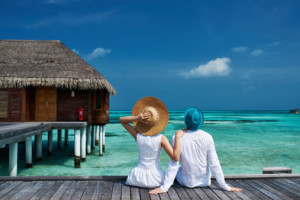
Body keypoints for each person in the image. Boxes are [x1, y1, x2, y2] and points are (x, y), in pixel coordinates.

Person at [149, 107, 243, 194]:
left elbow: (174, 164)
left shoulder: (177, 137)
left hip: (186, 182)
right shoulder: (208, 137)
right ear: (200, 121)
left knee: (177, 167)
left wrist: (164, 187)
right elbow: (214, 164)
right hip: (205, 182)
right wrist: (225, 186)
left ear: (186, 121)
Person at [119, 96, 183, 188]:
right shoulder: (162, 138)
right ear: (157, 122)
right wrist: (178, 138)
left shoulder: (138, 136)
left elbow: (122, 120)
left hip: (136, 178)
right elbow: (175, 157)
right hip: (156, 179)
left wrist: (137, 118)